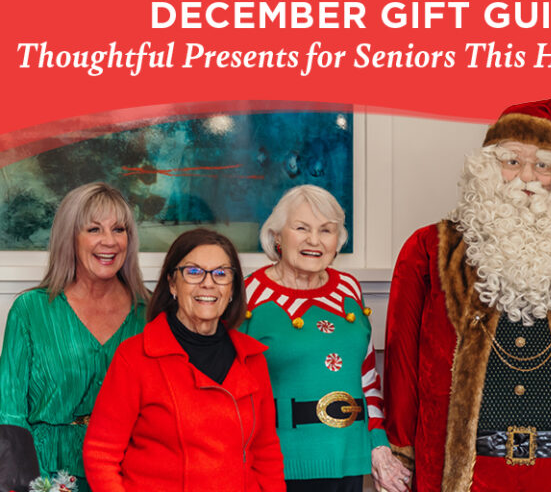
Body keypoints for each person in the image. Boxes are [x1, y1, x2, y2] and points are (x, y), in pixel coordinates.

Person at [383, 99, 551, 492]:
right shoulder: (430, 249)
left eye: (544, 165)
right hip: (467, 473)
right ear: (487, 168)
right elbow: (401, 358)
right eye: (512, 161)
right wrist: (400, 449)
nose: (527, 177)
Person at [83, 228, 285, 491]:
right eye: (194, 272)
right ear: (172, 283)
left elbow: (266, 452)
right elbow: (101, 454)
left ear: (233, 288)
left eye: (221, 273)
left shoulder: (252, 358)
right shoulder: (134, 357)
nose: (208, 283)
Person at [239, 185, 411, 492]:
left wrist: (378, 444)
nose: (314, 240)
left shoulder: (349, 289)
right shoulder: (250, 294)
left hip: (348, 460)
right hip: (276, 466)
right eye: (301, 228)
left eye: (326, 230)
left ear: (337, 240)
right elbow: (232, 389)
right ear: (277, 236)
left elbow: (367, 379)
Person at [0, 182, 148, 491]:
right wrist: (33, 484)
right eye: (94, 229)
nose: (110, 241)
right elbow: (10, 415)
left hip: (129, 474)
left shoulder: (150, 314)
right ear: (70, 238)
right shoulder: (29, 310)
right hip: (43, 474)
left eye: (119, 229)